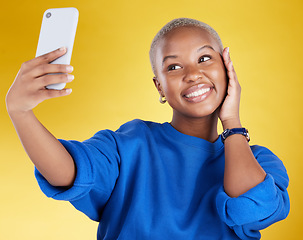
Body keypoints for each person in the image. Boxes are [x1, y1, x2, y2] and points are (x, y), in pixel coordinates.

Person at [6, 18, 289, 239]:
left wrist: (232, 123)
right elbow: (69, 172)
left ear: (228, 69)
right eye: (173, 67)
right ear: (159, 87)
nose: (192, 74)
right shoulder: (129, 144)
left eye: (204, 59)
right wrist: (21, 113)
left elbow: (252, 206)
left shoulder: (261, 163)